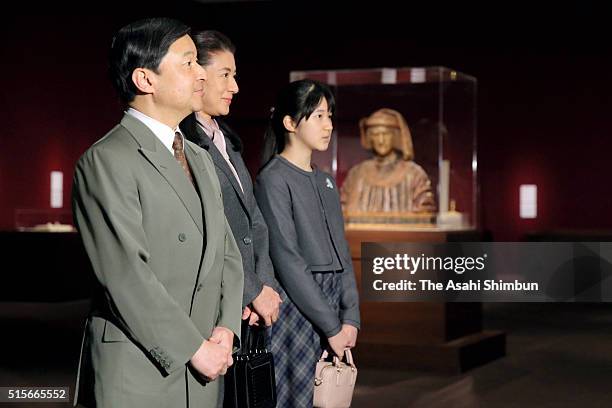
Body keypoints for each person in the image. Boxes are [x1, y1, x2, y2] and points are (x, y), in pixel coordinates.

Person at [71, 18, 244, 408]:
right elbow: (127, 276)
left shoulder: (198, 157)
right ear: (145, 80)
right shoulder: (107, 160)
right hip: (140, 367)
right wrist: (193, 348)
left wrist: (225, 328)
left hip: (206, 364)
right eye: (188, 63)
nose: (201, 73)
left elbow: (228, 254)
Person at [254, 79, 361, 407]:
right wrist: (332, 325)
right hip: (298, 306)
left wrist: (351, 317)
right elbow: (288, 260)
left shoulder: (325, 179)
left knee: (330, 396)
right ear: (290, 123)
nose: (328, 125)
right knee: (296, 399)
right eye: (317, 116)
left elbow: (341, 249)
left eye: (329, 116)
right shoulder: (273, 179)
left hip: (331, 302)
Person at [180, 30, 281, 329]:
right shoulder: (183, 143)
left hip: (250, 304)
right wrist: (250, 291)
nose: (234, 87)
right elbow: (205, 230)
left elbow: (255, 221)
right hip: (214, 303)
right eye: (225, 75)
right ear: (197, 73)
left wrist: (263, 286)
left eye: (234, 75)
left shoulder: (227, 140)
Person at [340, 108, 436, 214]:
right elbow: (341, 211)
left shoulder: (414, 174)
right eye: (376, 135)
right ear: (370, 138)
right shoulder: (356, 174)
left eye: (386, 134)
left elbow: (425, 212)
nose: (381, 140)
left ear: (395, 136)